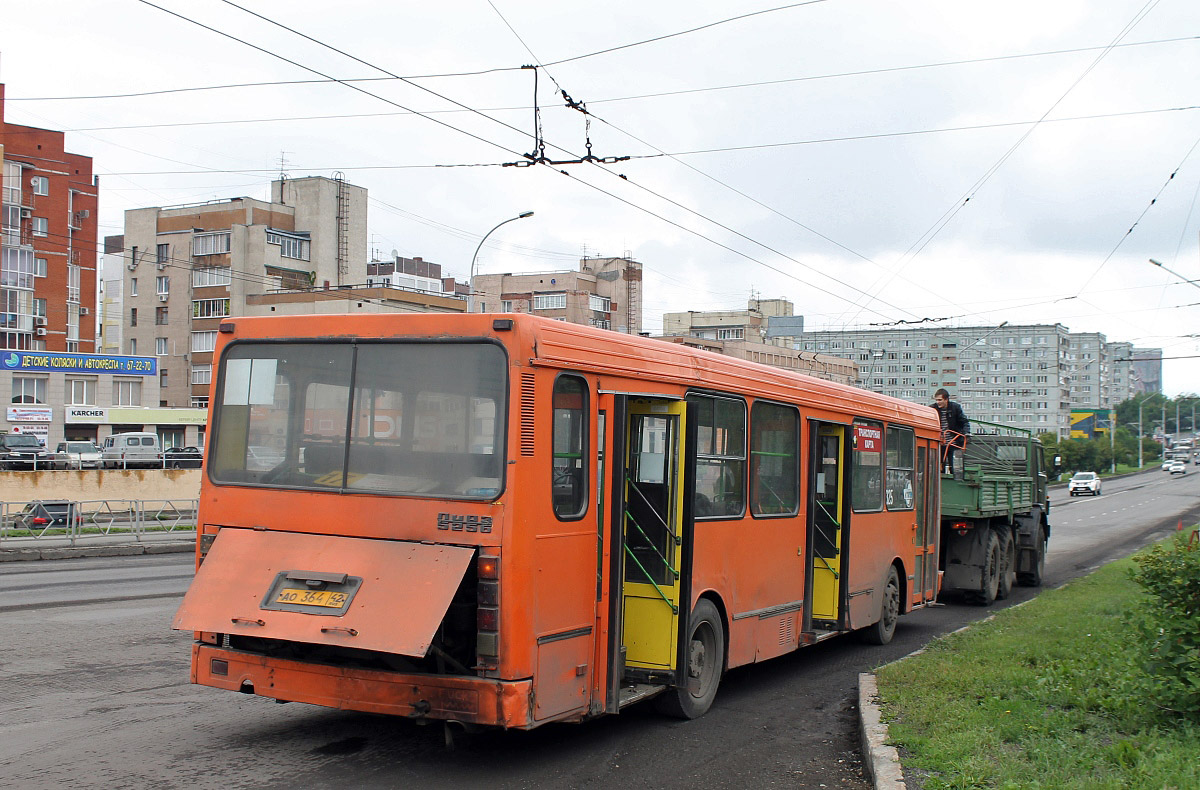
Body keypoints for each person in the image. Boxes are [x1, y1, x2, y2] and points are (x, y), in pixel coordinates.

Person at [932, 388, 969, 474]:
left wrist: (966, 433)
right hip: (939, 443)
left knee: (956, 468)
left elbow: (964, 422)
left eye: (940, 400)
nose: (938, 402)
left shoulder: (955, 408)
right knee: (938, 467)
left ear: (946, 399)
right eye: (936, 400)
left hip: (954, 442)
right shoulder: (933, 409)